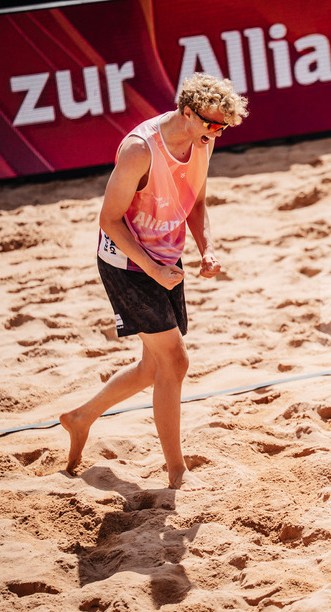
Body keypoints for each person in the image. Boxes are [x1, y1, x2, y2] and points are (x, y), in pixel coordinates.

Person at [61, 73, 248, 490]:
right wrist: (152, 270)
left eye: (223, 127)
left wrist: (206, 248)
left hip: (166, 257)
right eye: (213, 124)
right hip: (127, 262)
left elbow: (196, 200)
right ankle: (177, 472)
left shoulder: (203, 139)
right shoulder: (139, 149)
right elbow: (109, 220)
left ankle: (80, 417)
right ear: (187, 112)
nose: (217, 133)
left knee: (153, 367)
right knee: (176, 362)